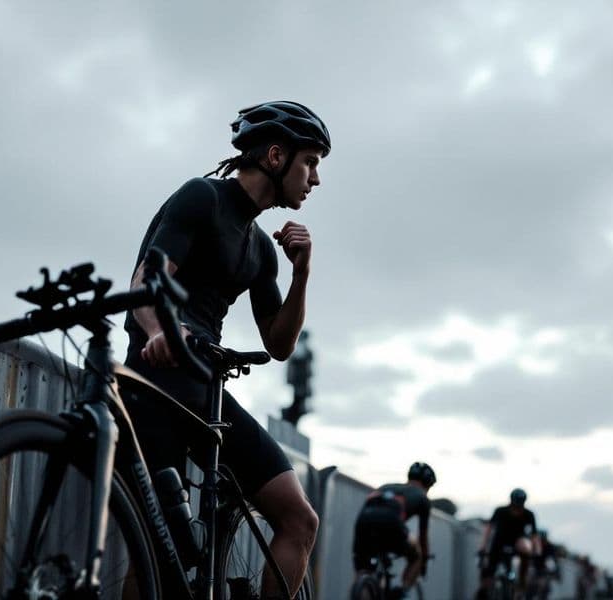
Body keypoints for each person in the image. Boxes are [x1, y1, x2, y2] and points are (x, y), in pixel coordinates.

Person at [123, 100, 331, 598]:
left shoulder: (261, 248)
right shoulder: (203, 197)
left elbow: (279, 345)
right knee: (158, 551)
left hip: (207, 389)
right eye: (310, 162)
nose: (315, 179)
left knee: (300, 520)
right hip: (155, 379)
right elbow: (145, 283)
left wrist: (302, 273)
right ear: (276, 156)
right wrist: (159, 332)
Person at [352, 462, 437, 596]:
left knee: (364, 571)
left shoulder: (386, 486)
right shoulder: (423, 498)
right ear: (428, 485)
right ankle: (401, 591)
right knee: (417, 555)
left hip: (363, 521)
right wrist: (424, 560)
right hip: (391, 522)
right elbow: (423, 537)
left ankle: (363, 588)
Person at [476, 488, 540, 599]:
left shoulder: (529, 515)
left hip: (517, 544)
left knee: (525, 557)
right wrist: (483, 547)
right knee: (488, 573)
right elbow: (489, 529)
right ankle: (483, 592)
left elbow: (534, 536)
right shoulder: (500, 511)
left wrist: (537, 551)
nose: (517, 509)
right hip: (498, 543)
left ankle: (521, 587)